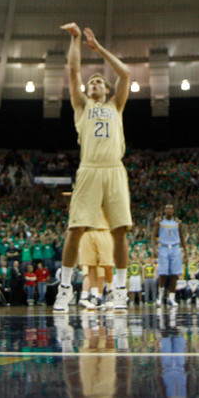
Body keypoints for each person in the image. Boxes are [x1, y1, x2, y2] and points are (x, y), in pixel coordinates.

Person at [53, 23, 133, 313]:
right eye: (91, 83)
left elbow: (125, 73)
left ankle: (120, 291)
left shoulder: (116, 106)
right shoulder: (82, 106)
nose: (92, 84)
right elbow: (73, 72)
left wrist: (98, 48)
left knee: (120, 230)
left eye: (98, 82)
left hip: (114, 169)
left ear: (107, 88)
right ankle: (64, 290)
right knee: (75, 229)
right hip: (89, 169)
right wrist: (75, 39)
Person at [78, 213, 115, 310]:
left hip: (104, 231)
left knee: (106, 267)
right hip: (87, 232)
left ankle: (109, 291)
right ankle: (92, 296)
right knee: (90, 268)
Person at [154, 204, 185, 311]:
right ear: (164, 210)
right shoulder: (159, 222)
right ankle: (160, 296)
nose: (169, 210)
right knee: (163, 273)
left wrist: (185, 251)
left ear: (173, 211)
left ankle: (172, 298)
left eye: (171, 208)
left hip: (175, 247)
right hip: (163, 247)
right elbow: (154, 236)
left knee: (175, 274)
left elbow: (182, 237)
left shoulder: (178, 222)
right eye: (167, 208)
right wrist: (154, 249)